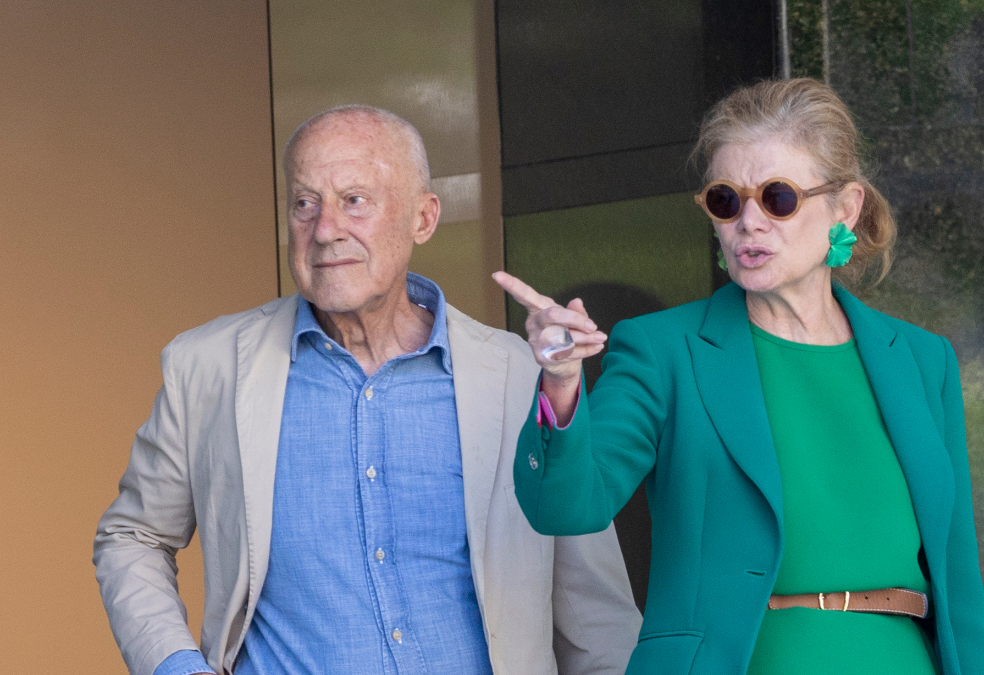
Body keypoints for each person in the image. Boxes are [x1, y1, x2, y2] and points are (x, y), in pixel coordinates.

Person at [94, 105, 641, 675]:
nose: (325, 229)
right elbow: (132, 536)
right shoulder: (208, 368)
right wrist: (176, 666)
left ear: (423, 219)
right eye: (305, 203)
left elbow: (595, 615)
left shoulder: (519, 375)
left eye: (354, 200)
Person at [495, 78, 984, 675]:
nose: (749, 222)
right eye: (726, 200)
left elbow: (958, 580)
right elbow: (568, 506)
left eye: (778, 198)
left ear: (845, 207)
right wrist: (561, 380)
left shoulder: (921, 359)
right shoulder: (664, 351)